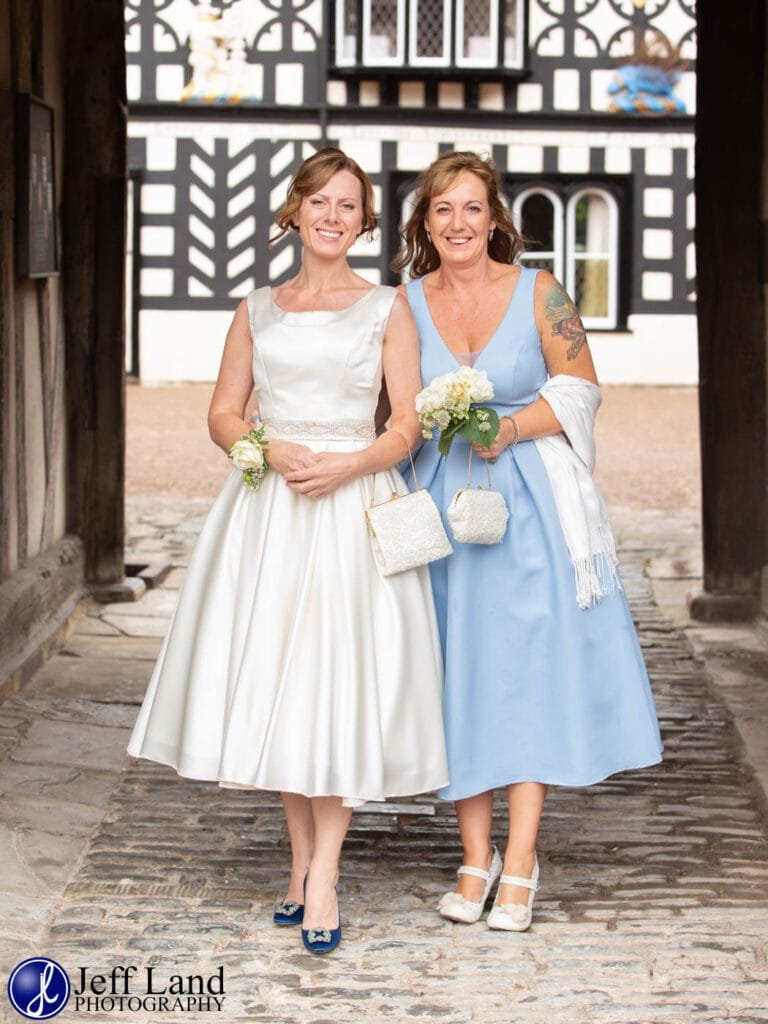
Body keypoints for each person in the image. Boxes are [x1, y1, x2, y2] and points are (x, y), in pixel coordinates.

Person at [128, 148, 449, 954]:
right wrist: (265, 451)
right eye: (321, 202)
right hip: (268, 512)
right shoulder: (255, 310)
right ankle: (301, 862)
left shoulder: (386, 309)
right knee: (280, 679)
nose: (333, 216)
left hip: (350, 502)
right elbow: (223, 414)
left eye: (350, 205)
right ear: (295, 211)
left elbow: (408, 423)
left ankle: (328, 875)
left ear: (363, 220)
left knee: (336, 686)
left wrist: (351, 462)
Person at [394, 151, 662, 932]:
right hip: (440, 503)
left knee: (525, 671)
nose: (457, 224)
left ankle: (520, 861)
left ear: (495, 218)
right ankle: (473, 854)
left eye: (472, 208)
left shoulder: (541, 292)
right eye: (442, 210)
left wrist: (509, 426)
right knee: (456, 672)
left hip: (529, 503)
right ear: (425, 223)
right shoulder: (403, 305)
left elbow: (580, 388)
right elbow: (390, 405)